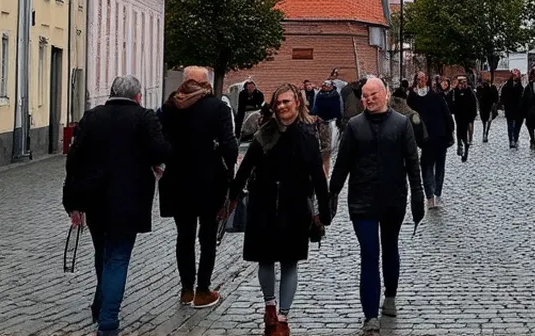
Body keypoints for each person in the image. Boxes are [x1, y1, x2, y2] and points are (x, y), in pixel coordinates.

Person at [63, 76, 171, 335]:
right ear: (138, 97)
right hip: (130, 200)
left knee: (102, 253)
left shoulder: (92, 117)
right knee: (118, 258)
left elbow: (74, 160)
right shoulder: (144, 118)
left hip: (94, 199)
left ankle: (101, 304)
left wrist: (72, 201)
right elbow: (161, 151)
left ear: (111, 93)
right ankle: (108, 321)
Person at [230, 84, 331, 336]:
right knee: (264, 259)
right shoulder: (264, 134)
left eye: (287, 101)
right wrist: (231, 198)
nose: (282, 106)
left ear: (297, 103)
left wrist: (324, 211)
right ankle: (270, 306)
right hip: (262, 205)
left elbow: (318, 178)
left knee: (289, 262)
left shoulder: (307, 138)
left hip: (294, 208)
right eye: (278, 103)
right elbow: (245, 169)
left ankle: (283, 318)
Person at [329, 77, 425, 336]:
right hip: (362, 200)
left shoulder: (402, 124)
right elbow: (342, 164)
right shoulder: (355, 126)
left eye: (374, 94)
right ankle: (370, 315)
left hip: (393, 198)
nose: (369, 99)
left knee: (390, 247)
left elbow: (412, 162)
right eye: (365, 95)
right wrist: (332, 193)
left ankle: (390, 295)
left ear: (385, 95)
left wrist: (418, 194)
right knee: (369, 253)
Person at [159, 66, 237, 309]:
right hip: (209, 180)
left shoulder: (169, 107)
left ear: (184, 82)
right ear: (205, 83)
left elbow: (160, 143)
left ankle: (186, 289)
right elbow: (229, 144)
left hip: (177, 180)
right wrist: (230, 169)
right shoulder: (217, 108)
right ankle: (203, 290)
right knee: (207, 235)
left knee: (184, 235)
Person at [416, 78, 454, 208]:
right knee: (439, 166)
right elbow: (448, 118)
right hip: (440, 138)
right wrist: (449, 134)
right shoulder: (439, 99)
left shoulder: (420, 101)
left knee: (427, 166)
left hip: (428, 140)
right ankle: (436, 192)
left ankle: (430, 196)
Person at [451, 76, 478, 161]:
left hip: (467, 116)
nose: (463, 85)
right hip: (458, 116)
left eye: (464, 83)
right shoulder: (455, 92)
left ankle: (465, 149)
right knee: (459, 131)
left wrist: (472, 116)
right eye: (461, 83)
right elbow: (452, 103)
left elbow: (474, 103)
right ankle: (460, 145)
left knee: (465, 134)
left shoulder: (469, 92)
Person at [499, 69, 525, 148]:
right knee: (510, 125)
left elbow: (523, 96)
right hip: (510, 108)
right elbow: (503, 96)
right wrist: (503, 105)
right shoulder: (507, 85)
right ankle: (511, 140)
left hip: (519, 109)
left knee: (517, 125)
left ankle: (515, 138)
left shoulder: (521, 86)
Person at [476, 77, 499, 142]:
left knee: (487, 122)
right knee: (485, 122)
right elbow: (478, 97)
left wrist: (494, 104)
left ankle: (485, 134)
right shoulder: (480, 89)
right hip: (483, 108)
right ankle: (485, 134)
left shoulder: (492, 88)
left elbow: (496, 98)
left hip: (490, 109)